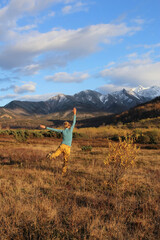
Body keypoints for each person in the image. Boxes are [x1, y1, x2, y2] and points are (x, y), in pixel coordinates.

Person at [40, 107, 77, 176]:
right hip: (68, 148)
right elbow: (74, 122)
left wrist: (45, 127)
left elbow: (53, 129)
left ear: (64, 126)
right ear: (69, 126)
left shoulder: (62, 131)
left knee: (55, 155)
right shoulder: (70, 130)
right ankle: (63, 172)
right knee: (66, 161)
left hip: (62, 146)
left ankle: (50, 155)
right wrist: (74, 113)